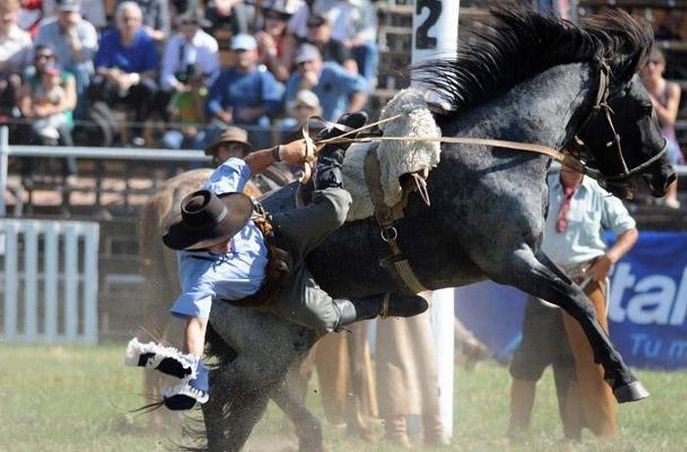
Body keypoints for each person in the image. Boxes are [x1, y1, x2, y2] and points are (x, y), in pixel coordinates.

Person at [126, 112, 429, 410]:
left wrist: (283, 152)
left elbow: (245, 164)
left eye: (227, 229)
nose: (226, 239)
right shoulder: (198, 274)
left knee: (337, 208)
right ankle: (382, 304)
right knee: (324, 317)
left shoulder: (218, 187)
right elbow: (196, 322)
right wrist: (192, 364)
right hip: (275, 289)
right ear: (199, 243)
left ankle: (332, 153)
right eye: (217, 240)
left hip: (275, 234)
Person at [507, 165, 639, 442]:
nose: (573, 161)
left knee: (575, 362)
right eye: (569, 153)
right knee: (527, 360)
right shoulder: (541, 184)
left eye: (580, 156)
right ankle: (516, 431)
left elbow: (629, 231)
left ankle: (572, 435)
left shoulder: (600, 192)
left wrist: (610, 258)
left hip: (583, 283)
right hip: (544, 282)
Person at [374, 294, 449, 447]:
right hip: (419, 286)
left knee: (392, 354)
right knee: (422, 352)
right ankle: (434, 430)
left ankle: (396, 433)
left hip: (393, 286)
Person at [90, 1, 159, 146]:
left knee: (149, 88)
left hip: (136, 84)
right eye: (125, 19)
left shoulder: (146, 41)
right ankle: (109, 129)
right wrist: (113, 75)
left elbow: (151, 71)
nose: (129, 23)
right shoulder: (108, 38)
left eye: (133, 19)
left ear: (139, 22)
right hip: (113, 83)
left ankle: (137, 133)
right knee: (97, 85)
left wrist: (133, 78)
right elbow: (100, 67)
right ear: (118, 21)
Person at [205, 32, 284, 147]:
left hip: (256, 122)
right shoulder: (224, 76)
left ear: (255, 53)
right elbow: (213, 101)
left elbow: (272, 104)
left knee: (263, 125)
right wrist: (221, 114)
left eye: (245, 51)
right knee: (214, 128)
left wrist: (253, 113)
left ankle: (264, 162)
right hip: (229, 123)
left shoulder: (263, 76)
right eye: (237, 51)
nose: (241, 55)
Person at [17, 44, 78, 182]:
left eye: (48, 57)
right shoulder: (32, 80)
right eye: (39, 57)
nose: (43, 61)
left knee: (63, 133)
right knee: (28, 133)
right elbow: (25, 106)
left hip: (61, 119)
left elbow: (69, 103)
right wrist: (34, 112)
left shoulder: (67, 77)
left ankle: (69, 173)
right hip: (38, 119)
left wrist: (48, 110)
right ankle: (28, 174)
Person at [34, 0, 98, 119]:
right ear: (57, 11)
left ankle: (79, 118)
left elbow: (82, 58)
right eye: (64, 12)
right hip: (52, 70)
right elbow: (38, 54)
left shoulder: (86, 28)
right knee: (30, 72)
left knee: (79, 70)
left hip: (77, 71)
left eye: (70, 12)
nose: (67, 15)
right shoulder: (45, 27)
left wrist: (72, 32)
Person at [641, 47, 683, 209]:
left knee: (668, 149)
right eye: (647, 63)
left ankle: (671, 196)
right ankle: (646, 195)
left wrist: (654, 103)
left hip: (665, 136)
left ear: (662, 66)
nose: (651, 67)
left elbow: (670, 119)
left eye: (655, 63)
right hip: (643, 134)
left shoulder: (672, 88)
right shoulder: (638, 87)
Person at [284, 42, 367, 121]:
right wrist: (303, 90)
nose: (306, 66)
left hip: (333, 124)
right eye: (302, 63)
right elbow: (289, 109)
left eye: (310, 62)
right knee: (285, 125)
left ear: (319, 60)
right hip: (306, 124)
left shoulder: (332, 71)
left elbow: (362, 87)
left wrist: (349, 116)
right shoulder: (295, 79)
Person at [0, 0, 33, 122]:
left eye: (9, 13)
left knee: (13, 81)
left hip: (16, 81)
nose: (5, 17)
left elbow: (28, 65)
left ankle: (13, 115)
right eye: (1, 12)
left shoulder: (23, 37)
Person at [254, 0, 297, 82]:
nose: (275, 22)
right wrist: (263, 53)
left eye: (281, 18)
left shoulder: (288, 42)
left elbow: (283, 76)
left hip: (277, 85)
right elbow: (249, 72)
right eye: (270, 16)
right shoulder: (255, 40)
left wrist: (271, 52)